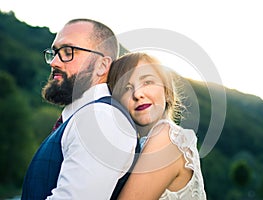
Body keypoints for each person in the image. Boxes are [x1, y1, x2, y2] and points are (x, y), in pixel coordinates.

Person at [21, 19, 138, 200]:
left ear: (102, 65)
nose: (54, 63)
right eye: (54, 53)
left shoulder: (101, 118)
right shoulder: (83, 117)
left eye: (68, 52)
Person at [108, 52, 207, 199]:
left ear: (167, 91)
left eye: (147, 82)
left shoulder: (166, 138)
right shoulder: (139, 144)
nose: (138, 94)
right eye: (126, 88)